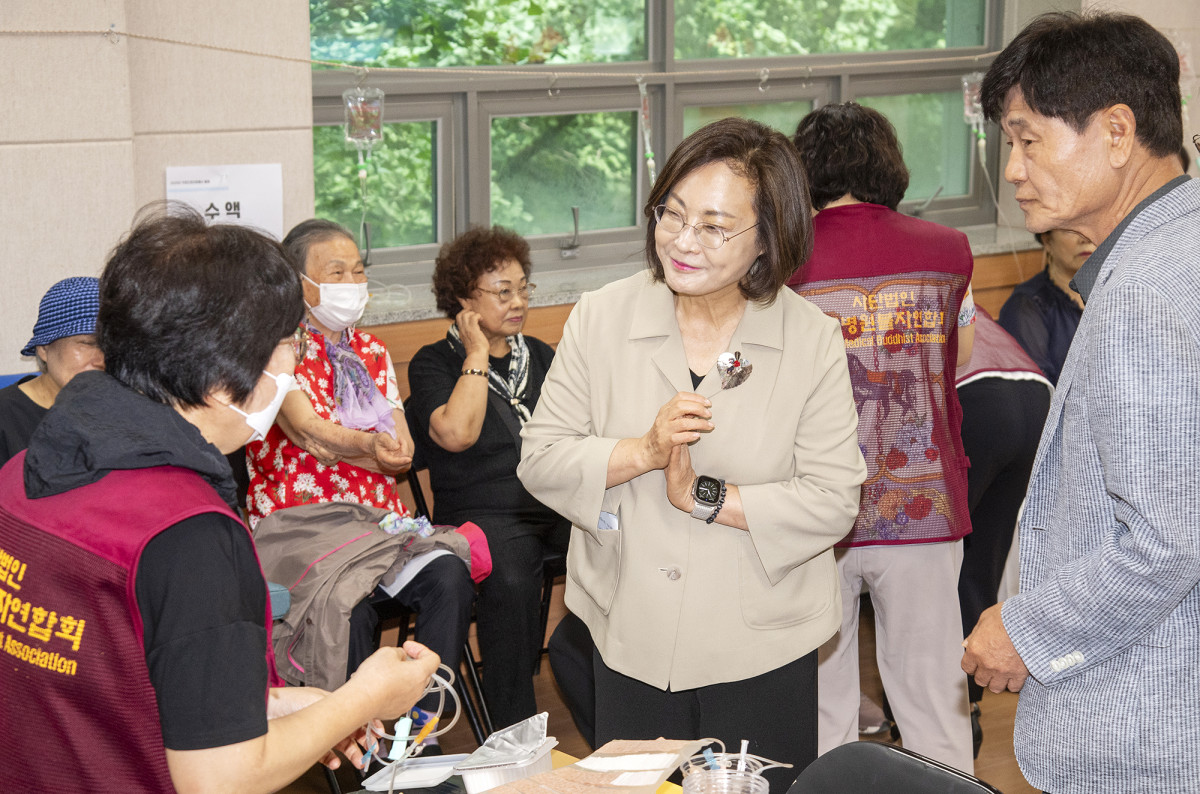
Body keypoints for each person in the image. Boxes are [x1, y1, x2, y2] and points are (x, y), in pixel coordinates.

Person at [0, 204, 440, 792]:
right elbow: (220, 778)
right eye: (289, 345)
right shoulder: (189, 535)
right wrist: (364, 698)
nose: (294, 364)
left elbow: (117, 676)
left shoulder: (25, 471)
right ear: (221, 374)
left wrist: (268, 705)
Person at [518, 117, 866, 790]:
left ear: (768, 239)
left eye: (713, 226)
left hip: (762, 642)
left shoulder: (809, 338)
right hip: (631, 635)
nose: (682, 240)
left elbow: (832, 500)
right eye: (671, 214)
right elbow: (541, 457)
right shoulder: (602, 316)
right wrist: (642, 452)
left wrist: (705, 498)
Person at [961, 12, 1198, 793]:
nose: (1016, 168)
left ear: (1118, 131)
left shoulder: (1141, 293)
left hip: (1150, 732)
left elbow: (1167, 539)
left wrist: (1025, 630)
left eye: (1030, 139)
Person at [787, 101, 976, 773]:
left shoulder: (781, 263)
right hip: (926, 502)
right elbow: (960, 356)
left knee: (821, 704)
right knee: (932, 695)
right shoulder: (948, 251)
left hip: (813, 515)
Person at [245, 218, 474, 743]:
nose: (351, 282)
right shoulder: (275, 349)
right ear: (298, 282)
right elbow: (307, 431)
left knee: (448, 575)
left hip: (375, 526)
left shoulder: (370, 351)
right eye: (336, 273)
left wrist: (383, 450)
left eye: (358, 271)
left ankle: (424, 726)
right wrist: (371, 446)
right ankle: (356, 741)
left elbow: (403, 449)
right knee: (348, 603)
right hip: (299, 529)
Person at [405, 225, 569, 729]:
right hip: (481, 515)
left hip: (552, 500)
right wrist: (476, 353)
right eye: (503, 292)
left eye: (524, 287)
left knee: (622, 537)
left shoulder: (541, 355)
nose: (518, 301)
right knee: (513, 573)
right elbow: (456, 434)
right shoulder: (435, 362)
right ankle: (513, 733)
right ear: (463, 300)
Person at [953, 308, 1051, 755]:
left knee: (931, 567)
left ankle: (936, 718)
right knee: (978, 565)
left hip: (971, 400)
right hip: (1033, 394)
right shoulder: (944, 261)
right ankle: (965, 713)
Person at [0, 277, 103, 464]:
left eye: (111, 345)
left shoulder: (124, 408)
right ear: (44, 349)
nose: (102, 359)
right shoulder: (6, 418)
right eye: (87, 343)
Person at [997, 228, 1090, 385]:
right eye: (1071, 230)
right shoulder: (1026, 307)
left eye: (1089, 225)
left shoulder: (1117, 293)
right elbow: (1036, 392)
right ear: (1047, 240)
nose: (1085, 239)